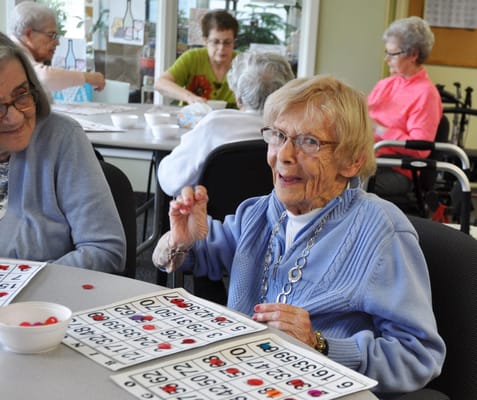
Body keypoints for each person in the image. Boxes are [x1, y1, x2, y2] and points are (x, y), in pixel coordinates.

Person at [152, 75, 446, 396]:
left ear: (352, 161)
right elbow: (196, 254)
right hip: (243, 378)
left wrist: (319, 344)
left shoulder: (380, 231)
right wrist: (179, 241)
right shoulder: (263, 211)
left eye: (309, 141)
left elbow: (419, 356)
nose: (284, 155)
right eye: (278, 136)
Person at [0, 32, 125, 273]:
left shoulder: (62, 138)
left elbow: (105, 251)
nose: (15, 116)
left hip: (47, 304)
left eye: (22, 94)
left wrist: (21, 282)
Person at [157, 50, 295, 197]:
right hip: (277, 218)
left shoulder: (214, 125)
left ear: (238, 98)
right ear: (285, 93)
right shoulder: (297, 132)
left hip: (211, 219)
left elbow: (170, 182)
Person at [368, 16, 442, 198]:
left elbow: (420, 148)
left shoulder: (426, 94)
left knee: (340, 186)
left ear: (413, 54)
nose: (387, 59)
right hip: (369, 159)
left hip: (397, 169)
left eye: (392, 54)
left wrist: (378, 128)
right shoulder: (385, 85)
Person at [9, 2, 106, 95]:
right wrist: (87, 77)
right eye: (51, 35)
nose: (57, 42)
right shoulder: (10, 54)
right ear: (29, 34)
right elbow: (43, 78)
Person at [154, 9, 239, 108]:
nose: (221, 48)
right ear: (205, 40)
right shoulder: (192, 58)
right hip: (193, 120)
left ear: (234, 42)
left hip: (230, 121)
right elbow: (160, 84)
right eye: (215, 42)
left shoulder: (242, 63)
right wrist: (190, 97)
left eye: (227, 42)